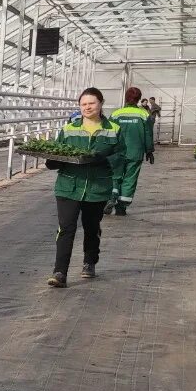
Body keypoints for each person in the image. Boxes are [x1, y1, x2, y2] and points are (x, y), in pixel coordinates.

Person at [43, 88, 126, 288]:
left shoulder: (114, 129)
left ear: (101, 103)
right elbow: (58, 152)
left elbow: (121, 157)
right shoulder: (69, 128)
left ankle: (89, 262)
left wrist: (103, 157)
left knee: (91, 227)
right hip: (68, 186)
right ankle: (60, 272)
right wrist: (53, 161)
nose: (87, 107)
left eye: (92, 103)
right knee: (66, 228)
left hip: (97, 187)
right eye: (83, 104)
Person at [107, 87, 155, 217]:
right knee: (130, 178)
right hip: (135, 152)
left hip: (116, 152)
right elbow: (148, 134)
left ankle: (110, 199)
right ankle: (121, 207)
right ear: (139, 99)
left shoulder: (116, 114)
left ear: (126, 98)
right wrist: (149, 151)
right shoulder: (144, 115)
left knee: (114, 176)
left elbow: (108, 133)